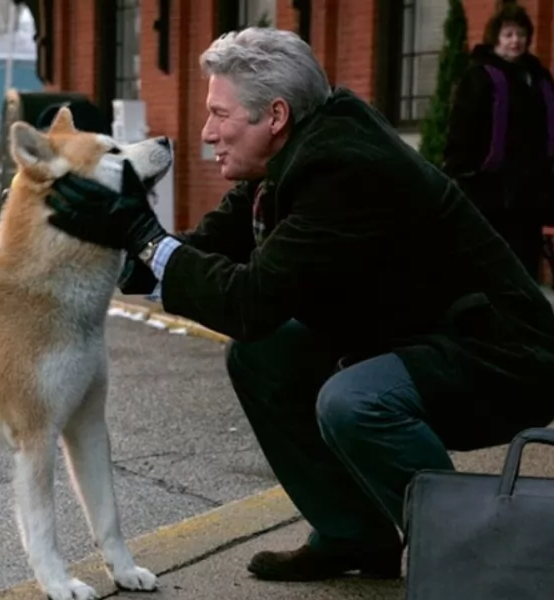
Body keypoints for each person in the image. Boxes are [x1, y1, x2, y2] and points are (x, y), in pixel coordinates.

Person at [43, 27, 554, 582]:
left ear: (276, 116)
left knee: (354, 402)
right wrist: (114, 237)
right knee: (260, 356)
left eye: (220, 113)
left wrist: (141, 234)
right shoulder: (293, 157)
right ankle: (353, 533)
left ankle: (471, 552)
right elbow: (203, 252)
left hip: (501, 355)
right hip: (423, 336)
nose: (207, 131)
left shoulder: (344, 170)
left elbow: (250, 300)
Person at [444, 3, 554, 279]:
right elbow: (461, 127)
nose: (515, 41)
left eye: (520, 34)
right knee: (492, 262)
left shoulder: (539, 78)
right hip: (491, 190)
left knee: (525, 262)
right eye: (508, 34)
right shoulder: (480, 77)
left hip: (532, 191)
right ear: (496, 39)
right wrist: (463, 171)